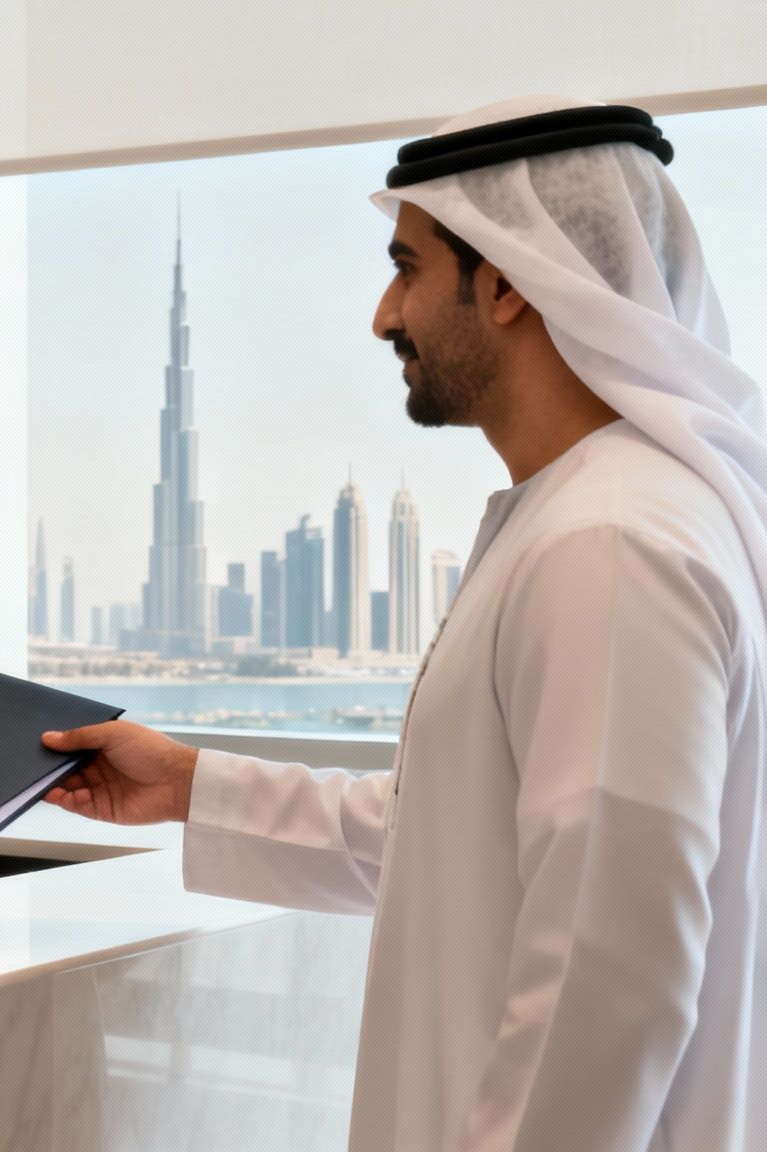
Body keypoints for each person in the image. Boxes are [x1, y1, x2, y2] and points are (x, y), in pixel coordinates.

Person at [42, 97, 767, 1150]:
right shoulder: (586, 517)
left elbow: (606, 976)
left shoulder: (609, 541)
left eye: (408, 267)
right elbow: (454, 834)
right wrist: (189, 785)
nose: (383, 316)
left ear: (511, 279)